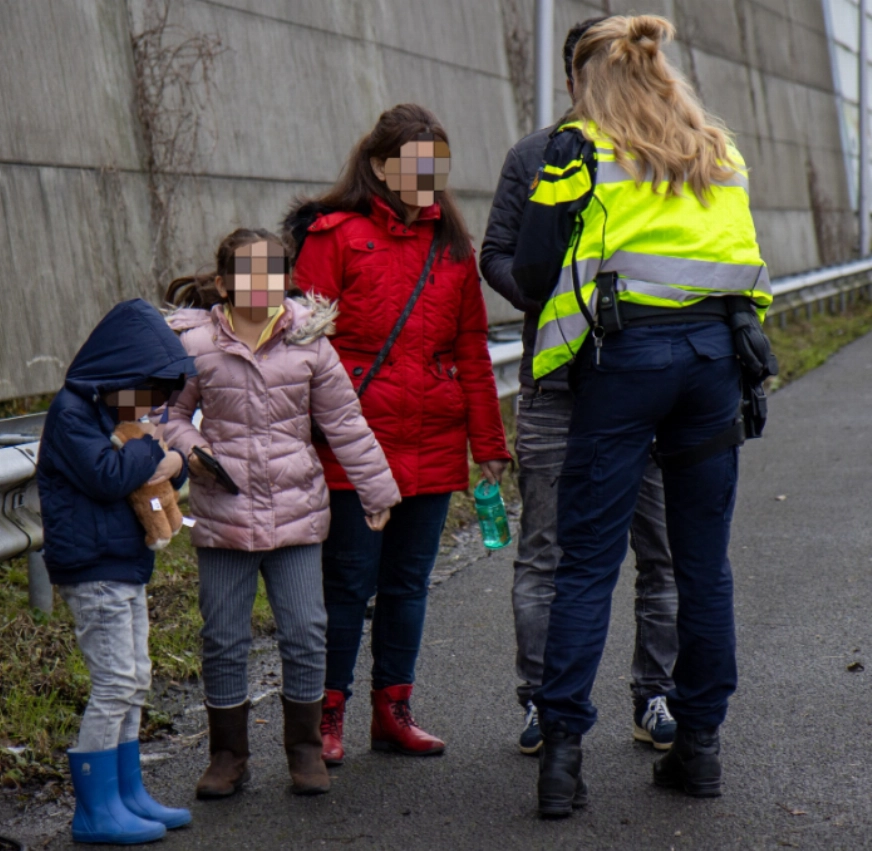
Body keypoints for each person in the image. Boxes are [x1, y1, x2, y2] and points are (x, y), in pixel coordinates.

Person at [511, 15, 773, 816]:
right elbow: (742, 265)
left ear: (589, 81)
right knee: (704, 567)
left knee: (587, 564)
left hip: (624, 363)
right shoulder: (715, 149)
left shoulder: (579, 150)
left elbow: (531, 268)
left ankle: (561, 761)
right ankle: (698, 749)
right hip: (713, 364)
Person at [284, 104, 512, 764]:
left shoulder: (452, 246)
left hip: (434, 440)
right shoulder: (334, 236)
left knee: (410, 583)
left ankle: (395, 709)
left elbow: (472, 347)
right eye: (415, 166)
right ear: (381, 167)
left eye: (436, 167)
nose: (428, 179)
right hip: (354, 441)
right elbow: (303, 343)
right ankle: (328, 715)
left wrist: (488, 444)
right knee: (348, 583)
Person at [481, 15, 679, 757]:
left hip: (651, 382)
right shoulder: (535, 155)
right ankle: (540, 700)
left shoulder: (669, 154)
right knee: (545, 552)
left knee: (660, 553)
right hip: (558, 380)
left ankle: (654, 695)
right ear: (573, 79)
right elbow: (496, 252)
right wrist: (552, 297)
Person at [161, 228, 401, 798]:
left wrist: (378, 492)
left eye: (272, 272)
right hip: (224, 514)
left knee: (305, 630)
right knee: (222, 636)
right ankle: (228, 756)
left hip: (296, 514)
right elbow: (166, 414)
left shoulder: (310, 341)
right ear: (222, 283)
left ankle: (304, 751)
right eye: (246, 273)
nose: (260, 284)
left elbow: (345, 421)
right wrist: (191, 448)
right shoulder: (193, 345)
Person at [36, 299, 195, 844]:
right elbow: (107, 477)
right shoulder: (73, 412)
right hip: (92, 567)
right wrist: (159, 453)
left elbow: (147, 480)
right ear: (119, 373)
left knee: (137, 677)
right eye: (147, 391)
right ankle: (95, 810)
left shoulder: (114, 414)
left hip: (125, 563)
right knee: (115, 682)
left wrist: (169, 463)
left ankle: (128, 794)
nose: (152, 406)